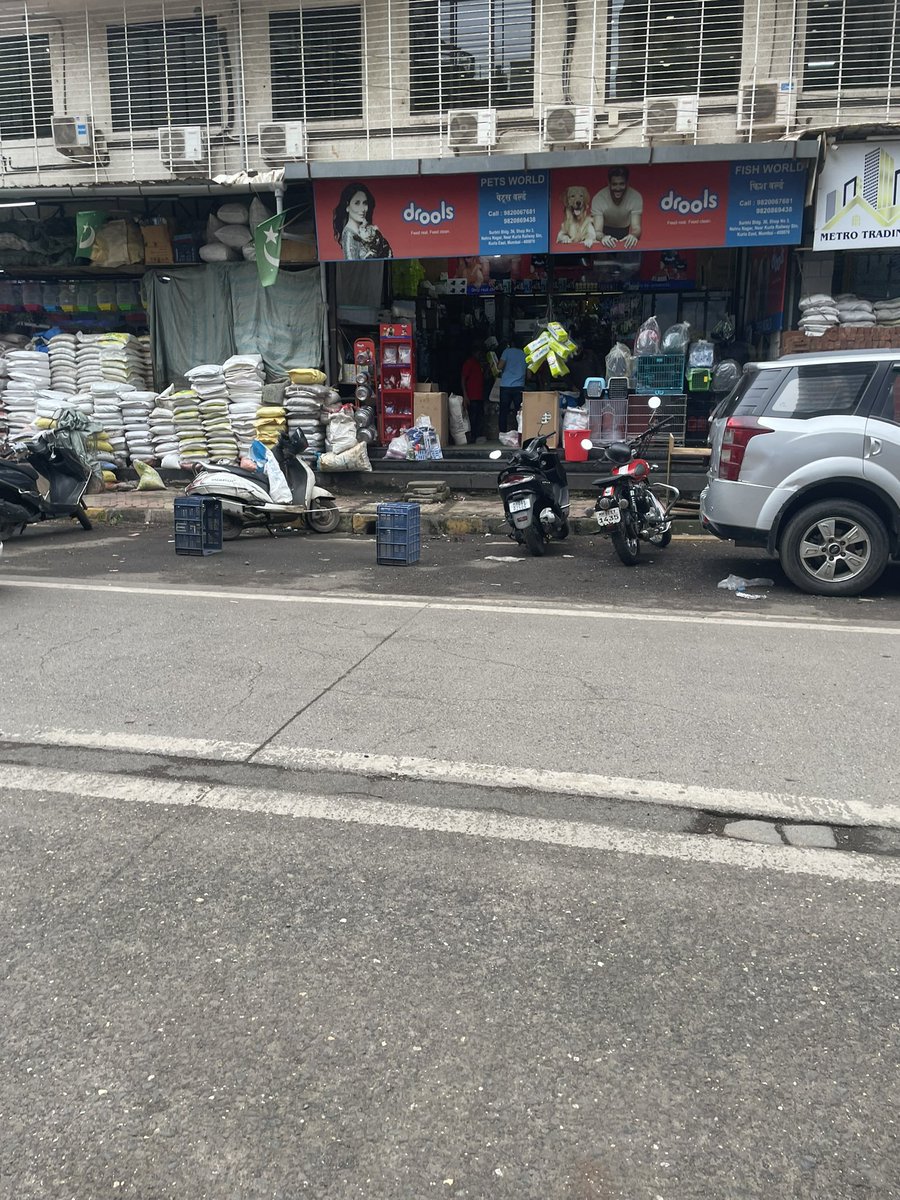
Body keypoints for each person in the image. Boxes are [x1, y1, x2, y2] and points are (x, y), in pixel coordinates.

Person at [332, 183, 393, 260]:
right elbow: (351, 263)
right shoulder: (349, 234)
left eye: (365, 203)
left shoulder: (366, 229)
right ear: (347, 206)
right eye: (357, 203)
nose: (362, 209)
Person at [591, 167, 643, 249]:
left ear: (627, 183)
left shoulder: (635, 197)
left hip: (624, 232)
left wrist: (633, 235)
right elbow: (597, 231)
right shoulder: (599, 198)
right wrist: (603, 238)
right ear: (609, 184)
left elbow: (636, 228)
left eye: (621, 184)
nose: (618, 188)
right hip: (605, 232)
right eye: (614, 184)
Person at [497, 337, 527, 434]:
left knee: (503, 412)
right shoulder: (524, 354)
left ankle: (502, 433)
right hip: (519, 386)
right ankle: (521, 433)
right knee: (520, 412)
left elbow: (499, 366)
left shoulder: (507, 352)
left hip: (506, 386)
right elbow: (529, 375)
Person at [461, 342, 487, 442]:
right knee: (472, 417)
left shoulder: (479, 364)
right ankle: (472, 437)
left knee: (479, 417)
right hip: (472, 396)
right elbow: (463, 379)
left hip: (479, 395)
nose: (480, 355)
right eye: (479, 353)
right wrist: (465, 395)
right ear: (474, 352)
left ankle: (477, 436)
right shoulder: (469, 363)